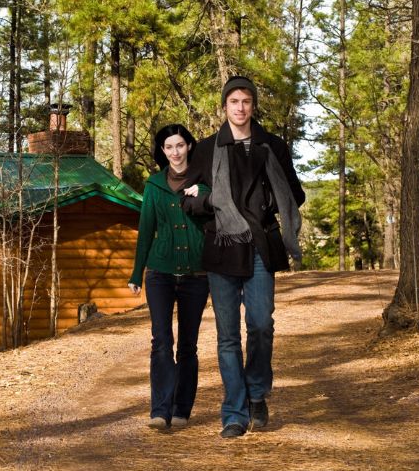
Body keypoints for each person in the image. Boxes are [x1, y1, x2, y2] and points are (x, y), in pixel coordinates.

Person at [184, 76, 305, 438]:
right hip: (222, 249)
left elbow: (294, 194)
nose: (240, 108)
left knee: (261, 324)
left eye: (246, 101)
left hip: (259, 247)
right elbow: (188, 201)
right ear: (225, 106)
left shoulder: (272, 145)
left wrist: (269, 203)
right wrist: (210, 201)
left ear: (253, 106)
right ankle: (234, 413)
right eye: (234, 101)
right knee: (227, 336)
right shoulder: (206, 150)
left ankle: (256, 394)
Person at [128, 124, 211, 430]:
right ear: (162, 151)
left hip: (196, 274)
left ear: (189, 145)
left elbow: (218, 210)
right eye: (169, 147)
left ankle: (182, 409)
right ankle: (160, 410)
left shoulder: (204, 180)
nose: (175, 152)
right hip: (160, 273)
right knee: (161, 341)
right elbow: (146, 229)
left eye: (180, 145)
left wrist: (202, 193)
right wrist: (137, 273)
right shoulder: (154, 185)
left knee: (187, 346)